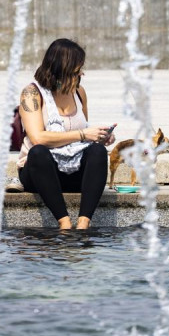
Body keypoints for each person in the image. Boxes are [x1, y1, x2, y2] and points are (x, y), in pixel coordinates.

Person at [17, 38, 115, 230]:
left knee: (97, 152)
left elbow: (84, 137)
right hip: (41, 172)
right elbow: (38, 138)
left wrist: (100, 137)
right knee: (38, 152)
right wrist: (83, 134)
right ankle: (64, 222)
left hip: (73, 168)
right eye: (77, 71)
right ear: (61, 70)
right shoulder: (32, 93)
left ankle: (83, 223)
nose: (81, 74)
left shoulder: (79, 92)